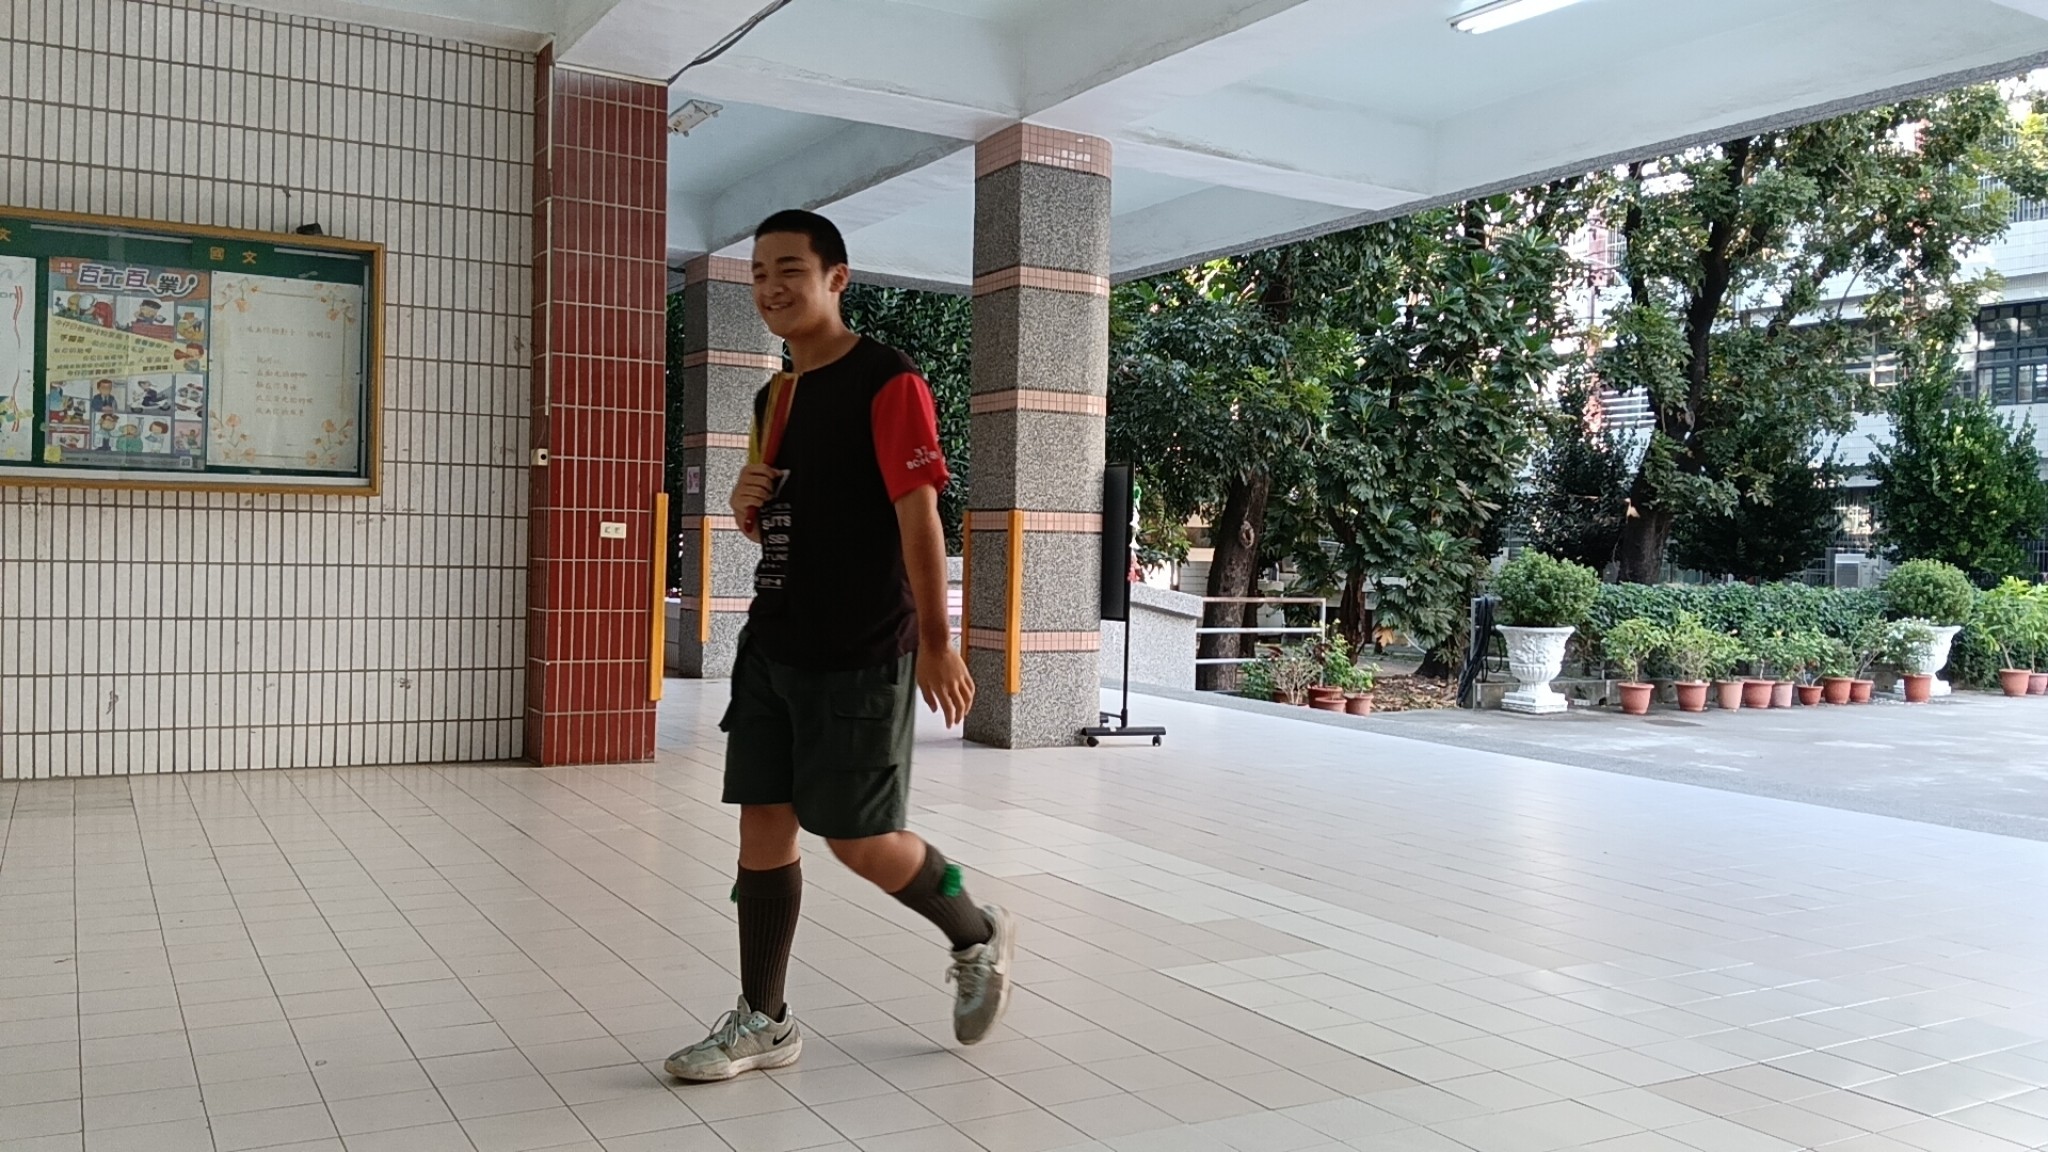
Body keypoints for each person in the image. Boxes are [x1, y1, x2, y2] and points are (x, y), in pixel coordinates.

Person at [665, 210, 1015, 1084]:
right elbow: (776, 522)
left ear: (836, 279)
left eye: (790, 269)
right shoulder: (774, 397)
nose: (771, 288)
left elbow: (919, 516)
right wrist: (745, 505)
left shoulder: (887, 380)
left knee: (859, 840)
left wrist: (938, 641)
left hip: (861, 646)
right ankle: (764, 1018)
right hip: (774, 641)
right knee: (763, 823)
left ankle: (975, 931)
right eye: (759, 274)